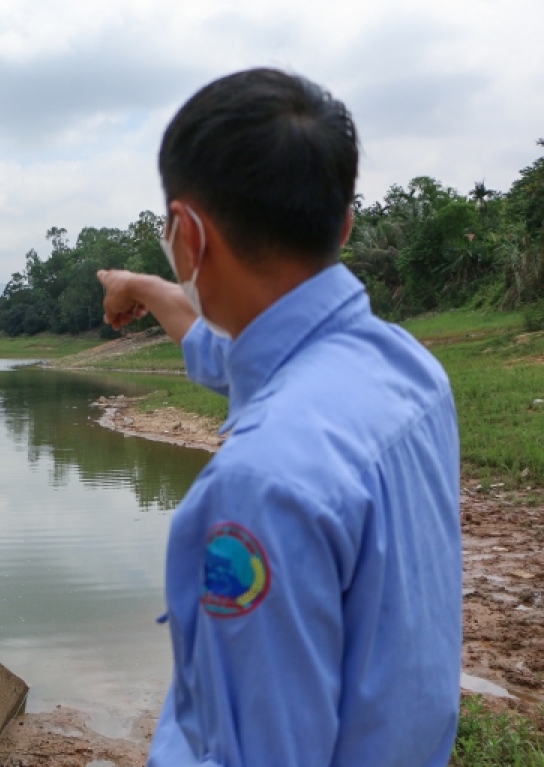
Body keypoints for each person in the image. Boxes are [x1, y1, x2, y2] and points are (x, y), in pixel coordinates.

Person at [98, 68, 461, 766]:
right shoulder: (411, 371)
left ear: (190, 236)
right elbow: (233, 356)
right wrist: (145, 286)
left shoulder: (259, 482)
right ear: (345, 222)